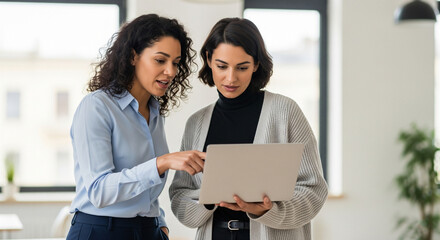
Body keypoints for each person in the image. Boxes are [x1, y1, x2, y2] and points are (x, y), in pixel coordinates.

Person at [169, 17, 328, 240]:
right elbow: (179, 196)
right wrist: (208, 199)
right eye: (222, 66)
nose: (231, 78)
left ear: (256, 64)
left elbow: (314, 190)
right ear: (209, 59)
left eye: (242, 67)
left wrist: (266, 210)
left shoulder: (285, 111)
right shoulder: (196, 123)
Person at [66, 14, 205, 240]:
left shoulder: (154, 112)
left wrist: (160, 223)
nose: (170, 71)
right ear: (133, 56)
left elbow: (145, 192)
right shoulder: (97, 107)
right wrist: (162, 162)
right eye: (160, 60)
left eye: (176, 63)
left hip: (148, 231)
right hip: (101, 231)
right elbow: (99, 191)